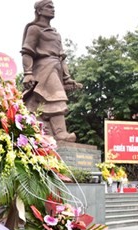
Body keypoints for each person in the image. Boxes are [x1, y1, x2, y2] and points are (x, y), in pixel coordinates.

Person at [21, 0, 81, 142]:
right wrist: (28, 73)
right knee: (56, 98)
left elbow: (62, 57)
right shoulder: (34, 29)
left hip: (56, 68)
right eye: (49, 7)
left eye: (53, 7)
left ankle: (44, 133)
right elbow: (27, 51)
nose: (53, 10)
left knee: (42, 102)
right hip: (43, 68)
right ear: (39, 11)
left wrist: (67, 78)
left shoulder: (56, 33)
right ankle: (61, 134)